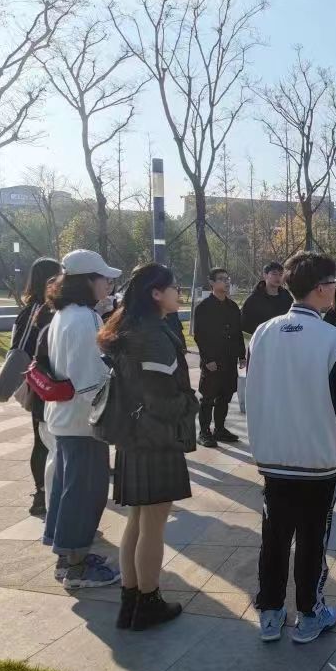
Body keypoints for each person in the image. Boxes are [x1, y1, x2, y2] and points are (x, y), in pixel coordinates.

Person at [246, 251, 336, 644]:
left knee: (274, 535)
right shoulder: (335, 340)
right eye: (333, 284)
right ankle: (310, 613)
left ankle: (270, 612)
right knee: (312, 537)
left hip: (274, 453)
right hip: (318, 458)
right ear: (320, 289)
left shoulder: (263, 333)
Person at [98, 263, 198, 631]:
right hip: (155, 439)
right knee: (153, 525)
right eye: (174, 287)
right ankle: (148, 601)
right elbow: (159, 396)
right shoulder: (152, 334)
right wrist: (190, 403)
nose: (178, 293)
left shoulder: (131, 326)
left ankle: (131, 601)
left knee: (138, 521)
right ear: (156, 293)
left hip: (136, 438)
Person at [43, 249, 122, 590]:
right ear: (87, 281)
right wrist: (111, 413)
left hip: (66, 419)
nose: (107, 284)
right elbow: (90, 378)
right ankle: (75, 567)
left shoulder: (65, 314)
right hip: (83, 421)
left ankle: (68, 557)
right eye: (103, 278)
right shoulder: (83, 319)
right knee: (84, 493)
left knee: (69, 489)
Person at [10, 257, 60, 517]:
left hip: (42, 382)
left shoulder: (35, 309)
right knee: (43, 439)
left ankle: (45, 492)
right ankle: (43, 493)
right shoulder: (39, 311)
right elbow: (21, 350)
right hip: (44, 383)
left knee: (43, 439)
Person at [193, 268, 246, 447]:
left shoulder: (232, 307)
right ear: (212, 283)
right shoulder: (204, 307)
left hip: (229, 360)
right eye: (222, 279)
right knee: (208, 397)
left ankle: (220, 429)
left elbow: (238, 333)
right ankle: (204, 432)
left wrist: (241, 355)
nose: (226, 281)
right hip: (212, 361)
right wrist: (208, 359)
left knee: (225, 395)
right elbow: (200, 336)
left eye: (227, 278)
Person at [241, 261, 294, 336]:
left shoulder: (287, 297)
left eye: (280, 274)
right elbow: (245, 324)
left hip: (284, 338)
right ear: (265, 275)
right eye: (274, 274)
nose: (278, 277)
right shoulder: (254, 299)